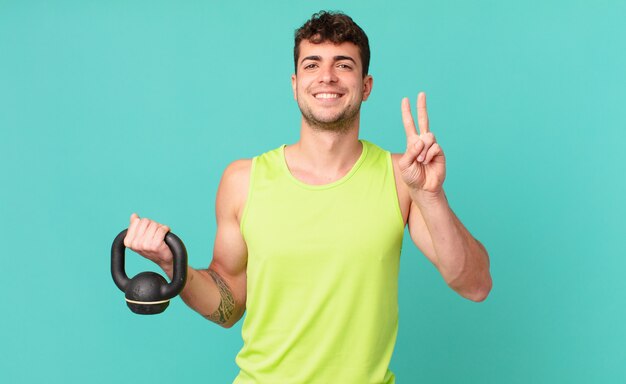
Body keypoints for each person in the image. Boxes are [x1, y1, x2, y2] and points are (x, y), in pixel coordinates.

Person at [123, 10, 492, 384]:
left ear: (366, 86)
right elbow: (229, 305)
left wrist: (431, 196)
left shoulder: (402, 178)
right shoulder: (243, 180)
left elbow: (475, 285)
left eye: (343, 64)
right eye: (313, 64)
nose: (327, 76)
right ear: (296, 82)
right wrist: (176, 268)